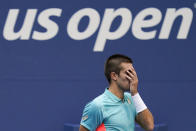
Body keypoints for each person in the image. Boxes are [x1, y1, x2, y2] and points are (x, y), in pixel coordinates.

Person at [79, 54, 154, 131]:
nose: (132, 78)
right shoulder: (97, 106)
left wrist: (134, 93)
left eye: (133, 73)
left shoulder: (131, 99)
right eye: (128, 73)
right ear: (114, 76)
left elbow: (149, 126)